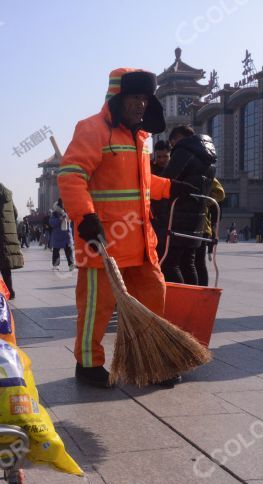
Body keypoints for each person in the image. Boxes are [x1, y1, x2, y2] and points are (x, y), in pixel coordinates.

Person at [57, 67, 197, 388]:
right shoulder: (92, 129)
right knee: (97, 306)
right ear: (119, 97)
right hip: (103, 241)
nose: (142, 105)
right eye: (136, 98)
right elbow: (71, 175)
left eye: (146, 99)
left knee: (153, 296)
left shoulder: (142, 139)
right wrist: (85, 216)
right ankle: (88, 364)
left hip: (140, 243)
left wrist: (171, 188)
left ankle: (150, 358)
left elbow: (141, 184)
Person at [160, 125, 216, 285]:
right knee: (188, 264)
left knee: (169, 265)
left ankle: (180, 304)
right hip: (197, 219)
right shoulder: (209, 157)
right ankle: (194, 305)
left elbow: (166, 180)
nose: (173, 148)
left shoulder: (184, 151)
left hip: (179, 217)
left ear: (178, 139)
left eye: (173, 144)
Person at [196, 178, 224, 287]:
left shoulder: (205, 171)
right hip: (178, 224)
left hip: (201, 225)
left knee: (197, 262)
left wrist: (203, 201)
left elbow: (220, 193)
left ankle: (201, 293)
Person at [49, 198, 74, 271]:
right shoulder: (55, 214)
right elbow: (51, 223)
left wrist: (68, 217)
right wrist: (59, 219)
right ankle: (55, 265)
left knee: (69, 251)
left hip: (67, 236)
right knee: (56, 250)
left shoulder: (68, 212)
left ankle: (71, 264)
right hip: (58, 235)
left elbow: (71, 220)